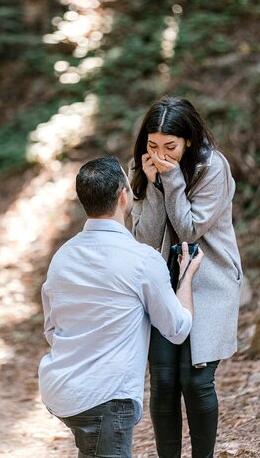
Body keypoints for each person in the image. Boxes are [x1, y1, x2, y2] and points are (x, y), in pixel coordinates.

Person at [38, 156, 202, 458]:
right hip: (106, 396)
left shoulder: (62, 256)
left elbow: (52, 328)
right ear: (123, 196)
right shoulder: (141, 259)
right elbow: (177, 329)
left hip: (60, 388)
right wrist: (187, 277)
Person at [130, 96, 243, 458]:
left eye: (170, 147)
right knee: (163, 382)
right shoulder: (146, 168)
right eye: (152, 145)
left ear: (189, 141)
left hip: (209, 280)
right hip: (162, 283)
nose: (160, 154)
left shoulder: (213, 168)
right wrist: (151, 188)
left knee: (196, 380)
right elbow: (145, 240)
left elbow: (190, 230)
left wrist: (171, 179)